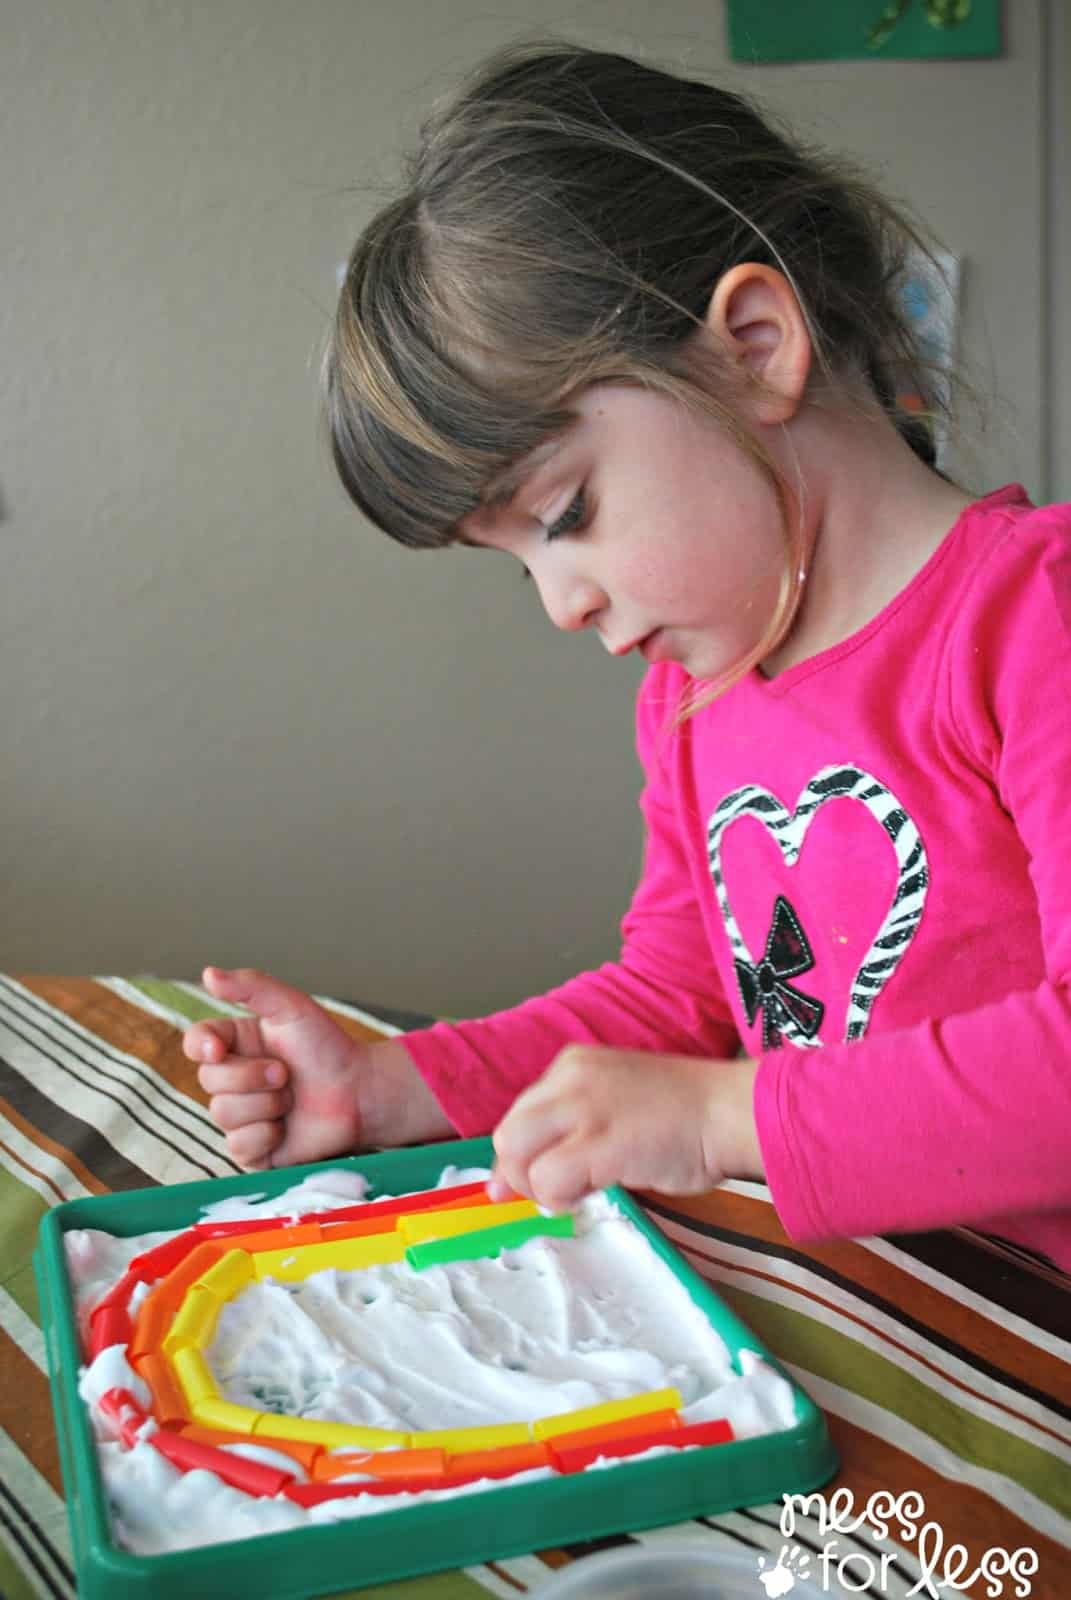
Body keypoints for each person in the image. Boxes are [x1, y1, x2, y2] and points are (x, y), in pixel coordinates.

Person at [182, 42, 1071, 1270]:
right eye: (516, 560)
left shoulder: (1035, 620)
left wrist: (720, 1118)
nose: (558, 602)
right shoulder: (694, 697)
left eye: (565, 516)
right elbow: (676, 1001)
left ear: (754, 346)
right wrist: (391, 1088)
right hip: (893, 1299)